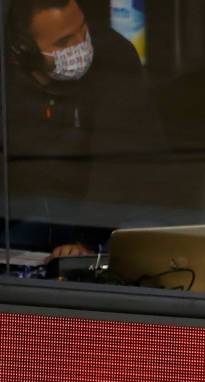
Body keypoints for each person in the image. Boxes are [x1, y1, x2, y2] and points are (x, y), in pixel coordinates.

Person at [4, 0, 164, 259]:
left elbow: (119, 162)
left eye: (83, 29)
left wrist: (85, 241)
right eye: (64, 42)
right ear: (25, 50)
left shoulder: (113, 54)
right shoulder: (8, 82)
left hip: (109, 214)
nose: (81, 45)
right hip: (29, 215)